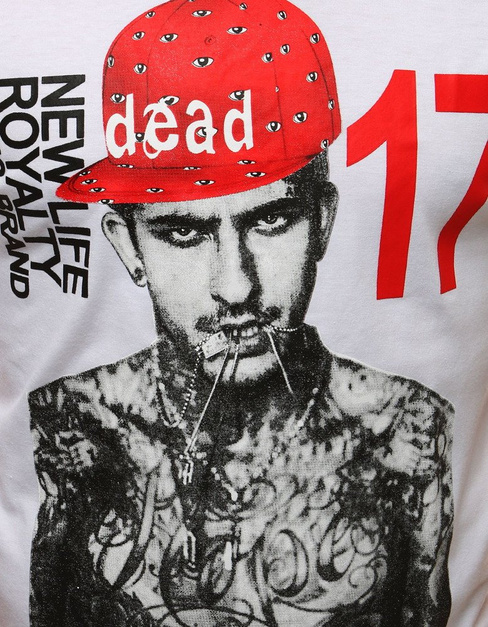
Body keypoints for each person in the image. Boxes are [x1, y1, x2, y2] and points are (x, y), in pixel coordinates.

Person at [28, 0, 454, 625]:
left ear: (322, 222)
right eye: (184, 232)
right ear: (128, 246)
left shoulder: (403, 432)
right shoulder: (75, 425)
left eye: (271, 221)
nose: (235, 286)